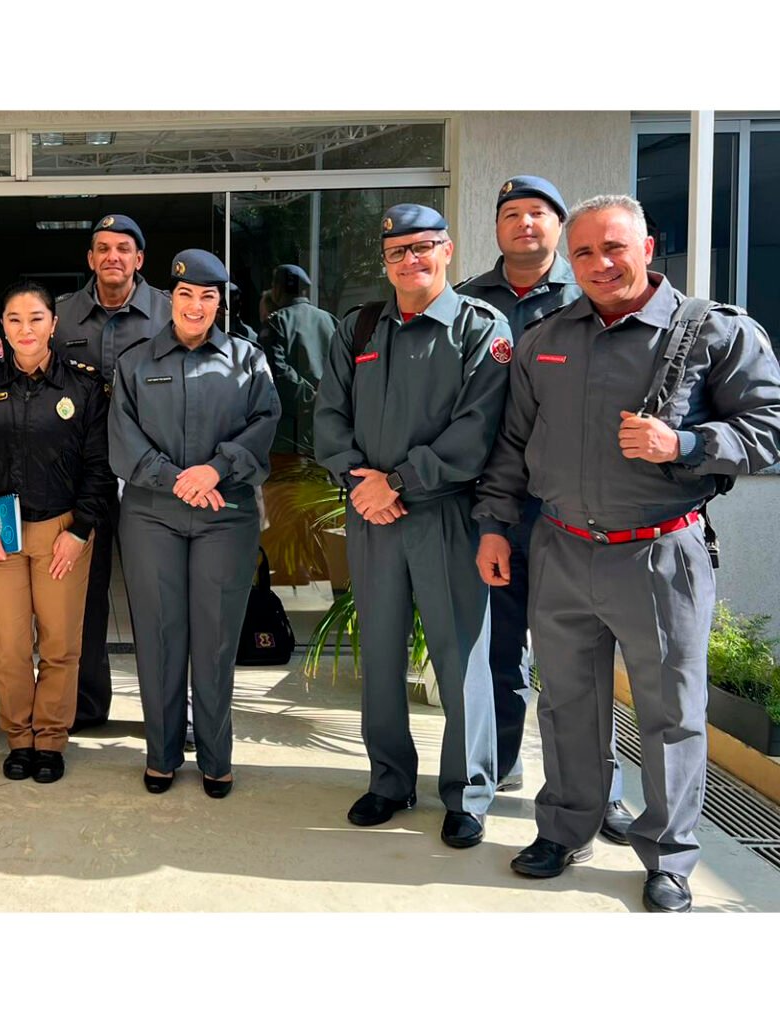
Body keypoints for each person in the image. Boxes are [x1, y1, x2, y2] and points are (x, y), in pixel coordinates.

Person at [475, 194, 780, 911]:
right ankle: (567, 826)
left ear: (648, 248)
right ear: (570, 262)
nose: (601, 263)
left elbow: (768, 430)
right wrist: (494, 523)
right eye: (584, 253)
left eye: (614, 247)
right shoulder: (547, 338)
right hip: (560, 548)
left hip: (659, 555)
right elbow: (513, 445)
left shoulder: (712, 333)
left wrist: (690, 444)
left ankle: (668, 855)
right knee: (567, 700)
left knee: (671, 711)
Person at [313, 204, 508, 848]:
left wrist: (397, 483)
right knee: (380, 650)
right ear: (386, 261)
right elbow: (329, 418)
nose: (410, 260)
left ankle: (467, 793)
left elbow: (477, 428)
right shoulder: (361, 328)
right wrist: (362, 483)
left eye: (423, 247)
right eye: (398, 251)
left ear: (447, 251)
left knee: (460, 656)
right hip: (372, 515)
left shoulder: (481, 328)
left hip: (444, 513)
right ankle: (390, 780)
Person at [455, 176, 634, 842]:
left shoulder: (591, 295)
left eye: (537, 213)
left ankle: (600, 792)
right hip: (495, 508)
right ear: (495, 227)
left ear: (559, 227)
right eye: (510, 214)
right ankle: (497, 766)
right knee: (499, 649)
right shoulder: (468, 302)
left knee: (582, 664)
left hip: (574, 508)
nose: (524, 224)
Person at [109, 249, 279, 799]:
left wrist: (214, 470)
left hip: (223, 515)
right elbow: (123, 436)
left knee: (215, 637)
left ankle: (215, 756)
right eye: (186, 295)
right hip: (152, 514)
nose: (197, 306)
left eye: (209, 297)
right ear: (171, 297)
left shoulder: (247, 361)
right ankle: (161, 753)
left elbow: (265, 422)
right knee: (159, 635)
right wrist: (173, 478)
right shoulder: (136, 362)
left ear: (219, 303)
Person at [0, 280, 114, 783]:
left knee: (62, 644)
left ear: (53, 324)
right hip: (1, 535)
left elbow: (100, 466)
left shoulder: (83, 388)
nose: (26, 328)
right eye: (15, 319)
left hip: (61, 531)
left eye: (36, 318)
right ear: (3, 325)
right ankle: (19, 738)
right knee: (10, 645)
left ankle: (51, 738)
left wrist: (81, 528)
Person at [53, 214, 172, 732]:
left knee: (161, 596)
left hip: (152, 474)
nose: (112, 257)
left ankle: (171, 713)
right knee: (86, 594)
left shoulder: (173, 312)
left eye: (123, 248)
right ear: (90, 258)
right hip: (84, 476)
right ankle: (85, 704)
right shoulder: (61, 315)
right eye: (102, 248)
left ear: (139, 258)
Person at [262, 264, 337, 460]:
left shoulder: (277, 321)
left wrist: (309, 396)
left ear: (278, 288)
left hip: (287, 437)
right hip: (325, 432)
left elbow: (276, 372)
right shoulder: (329, 320)